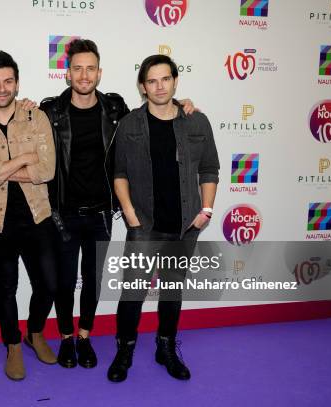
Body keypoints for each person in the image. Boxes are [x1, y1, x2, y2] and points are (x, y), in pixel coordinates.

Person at [40, 39, 195, 370]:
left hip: (101, 213)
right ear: (67, 73)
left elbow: (154, 114)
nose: (84, 75)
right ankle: (66, 337)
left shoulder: (114, 110)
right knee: (65, 283)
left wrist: (182, 105)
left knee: (93, 282)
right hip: (63, 213)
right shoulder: (50, 110)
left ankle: (84, 336)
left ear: (99, 72)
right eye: (77, 68)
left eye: (90, 68)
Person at [107, 54, 219, 383]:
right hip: (145, 226)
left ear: (175, 81)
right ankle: (124, 349)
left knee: (172, 291)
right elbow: (120, 173)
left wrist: (206, 211)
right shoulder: (129, 124)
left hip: (185, 226)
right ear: (142, 87)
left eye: (165, 79)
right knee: (132, 293)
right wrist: (131, 216)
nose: (159, 86)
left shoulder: (196, 121)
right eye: (152, 81)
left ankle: (165, 347)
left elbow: (209, 169)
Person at [0, 51, 57, 381]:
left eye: (7, 81)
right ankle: (13, 345)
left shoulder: (37, 116)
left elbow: (46, 170)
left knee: (49, 284)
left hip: (37, 217)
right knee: (6, 289)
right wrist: (24, 159)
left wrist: (0, 167)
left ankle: (35, 332)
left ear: (17, 82)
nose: (2, 88)